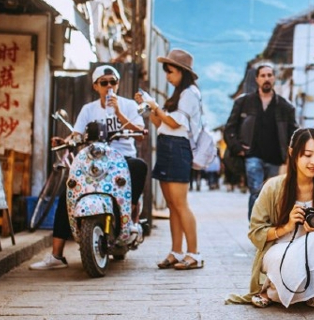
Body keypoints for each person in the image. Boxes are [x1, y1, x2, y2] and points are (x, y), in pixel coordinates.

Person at [30, 65, 147, 270]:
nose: (109, 86)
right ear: (95, 86)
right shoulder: (88, 109)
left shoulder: (128, 105)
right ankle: (56, 255)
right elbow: (77, 134)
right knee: (68, 192)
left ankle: (131, 215)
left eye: (113, 81)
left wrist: (118, 112)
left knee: (138, 166)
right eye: (104, 82)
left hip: (121, 158)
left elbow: (139, 132)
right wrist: (64, 141)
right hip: (94, 162)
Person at [226, 128, 314, 308]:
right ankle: (281, 290)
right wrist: (287, 226)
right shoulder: (273, 187)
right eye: (307, 155)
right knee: (292, 258)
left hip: (312, 254)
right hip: (279, 251)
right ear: (293, 153)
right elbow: (255, 232)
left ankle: (288, 291)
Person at [135, 49, 205, 270]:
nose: (167, 75)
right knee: (172, 205)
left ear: (182, 72)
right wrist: (148, 107)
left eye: (170, 71)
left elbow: (175, 124)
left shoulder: (190, 94)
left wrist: (155, 106)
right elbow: (161, 123)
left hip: (178, 148)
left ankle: (194, 254)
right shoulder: (177, 94)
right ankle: (176, 251)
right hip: (167, 146)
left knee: (180, 204)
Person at [224, 63, 298, 219]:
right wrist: (237, 147)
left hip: (276, 158)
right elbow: (230, 128)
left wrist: (289, 156)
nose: (266, 79)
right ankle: (256, 229)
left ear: (274, 78)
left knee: (273, 195)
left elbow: (294, 134)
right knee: (256, 191)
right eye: (263, 76)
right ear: (257, 79)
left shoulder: (285, 107)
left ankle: (269, 230)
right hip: (252, 155)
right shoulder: (243, 103)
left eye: (269, 75)